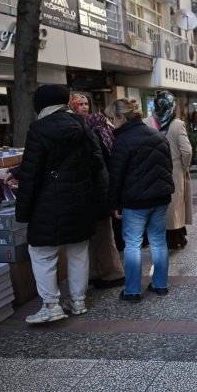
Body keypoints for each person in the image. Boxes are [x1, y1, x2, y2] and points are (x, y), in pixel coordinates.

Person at [15, 84, 107, 323]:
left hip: (49, 204)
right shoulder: (82, 125)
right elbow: (97, 165)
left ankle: (51, 305)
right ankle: (78, 301)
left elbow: (31, 173)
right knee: (78, 253)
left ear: (41, 104)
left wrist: (23, 211)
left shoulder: (39, 129)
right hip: (82, 201)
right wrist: (102, 201)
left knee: (42, 253)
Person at [107, 98, 174, 302]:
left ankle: (133, 290)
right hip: (160, 198)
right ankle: (161, 284)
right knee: (158, 241)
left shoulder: (122, 140)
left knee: (133, 244)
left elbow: (116, 176)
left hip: (134, 201)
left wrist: (114, 203)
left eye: (113, 118)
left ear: (121, 117)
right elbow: (168, 167)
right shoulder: (158, 135)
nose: (112, 123)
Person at [144, 91, 193, 250]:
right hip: (174, 169)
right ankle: (176, 238)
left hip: (151, 169)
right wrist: (184, 167)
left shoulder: (145, 122)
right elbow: (187, 151)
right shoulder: (177, 124)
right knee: (174, 206)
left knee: (157, 204)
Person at [84, 112, 125, 288]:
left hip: (98, 192)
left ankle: (110, 273)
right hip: (105, 191)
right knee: (104, 235)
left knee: (102, 236)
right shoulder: (108, 135)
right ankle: (104, 272)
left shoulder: (95, 137)